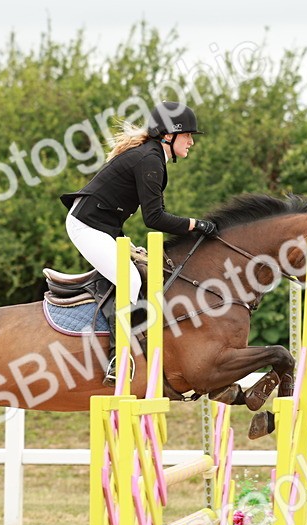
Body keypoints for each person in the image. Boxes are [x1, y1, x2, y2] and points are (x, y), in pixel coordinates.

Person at [59, 101, 218, 384]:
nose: (192, 142)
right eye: (187, 135)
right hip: (87, 225)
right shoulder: (149, 159)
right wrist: (196, 225)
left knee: (146, 273)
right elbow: (154, 218)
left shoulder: (152, 156)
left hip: (106, 227)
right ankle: (117, 357)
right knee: (130, 280)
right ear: (168, 135)